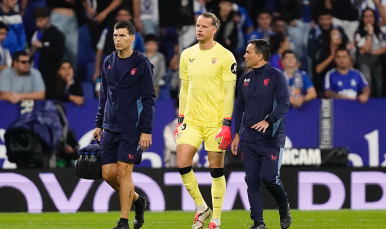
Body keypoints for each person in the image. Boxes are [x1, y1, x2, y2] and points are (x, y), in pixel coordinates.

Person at [175, 12, 237, 229]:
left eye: (203, 26)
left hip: (215, 120)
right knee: (182, 162)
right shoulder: (187, 54)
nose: (199, 29)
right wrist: (181, 118)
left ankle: (216, 219)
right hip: (192, 118)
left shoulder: (225, 56)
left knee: (215, 168)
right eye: (197, 25)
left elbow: (230, 93)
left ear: (214, 29)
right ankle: (202, 207)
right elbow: (184, 88)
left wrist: (226, 124)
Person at [93, 20, 155, 229]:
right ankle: (139, 201)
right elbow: (104, 95)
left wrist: (146, 130)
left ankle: (123, 222)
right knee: (108, 174)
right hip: (110, 126)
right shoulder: (108, 61)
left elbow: (148, 99)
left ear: (132, 38)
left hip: (132, 128)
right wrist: (99, 123)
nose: (117, 40)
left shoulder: (142, 64)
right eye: (115, 36)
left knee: (124, 172)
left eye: (121, 36)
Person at [231, 39, 291, 229]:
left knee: (270, 179)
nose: (244, 56)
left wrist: (269, 120)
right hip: (249, 138)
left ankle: (284, 207)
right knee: (252, 181)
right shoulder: (244, 79)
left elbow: (284, 104)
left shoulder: (276, 76)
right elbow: (240, 107)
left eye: (248, 52)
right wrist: (236, 134)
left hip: (271, 138)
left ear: (259, 55)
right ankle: (258, 222)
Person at [93, 6, 145, 82]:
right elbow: (99, 50)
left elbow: (142, 55)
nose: (122, 17)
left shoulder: (136, 35)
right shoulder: (107, 31)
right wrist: (97, 71)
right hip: (109, 70)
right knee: (99, 87)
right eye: (119, 15)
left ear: (130, 17)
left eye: (125, 15)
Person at [31, 7, 65, 100]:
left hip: (50, 74)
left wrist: (43, 47)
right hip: (34, 71)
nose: (38, 23)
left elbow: (59, 53)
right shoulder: (34, 34)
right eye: (36, 21)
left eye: (41, 20)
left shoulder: (57, 34)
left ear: (47, 18)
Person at [355, 8, 386, 97]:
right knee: (368, 82)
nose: (369, 19)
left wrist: (375, 52)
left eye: (371, 16)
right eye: (366, 16)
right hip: (364, 61)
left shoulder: (380, 31)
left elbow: (384, 48)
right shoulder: (359, 32)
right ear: (362, 19)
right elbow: (366, 49)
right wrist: (370, 33)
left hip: (377, 60)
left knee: (379, 84)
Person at [164, 99, 200, 167]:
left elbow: (199, 145)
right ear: (176, 110)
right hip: (173, 165)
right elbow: (170, 145)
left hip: (192, 166)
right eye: (179, 108)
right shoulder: (169, 127)